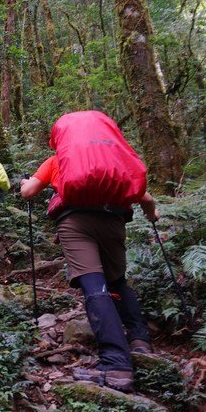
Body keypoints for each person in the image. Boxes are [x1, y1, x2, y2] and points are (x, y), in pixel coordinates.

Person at [20, 138, 159, 393]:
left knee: (94, 284)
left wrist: (24, 184)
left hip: (75, 222)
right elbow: (146, 199)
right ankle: (140, 340)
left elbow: (29, 192)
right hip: (114, 221)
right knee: (117, 281)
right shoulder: (115, 165)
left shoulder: (57, 161)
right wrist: (152, 216)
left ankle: (116, 365)